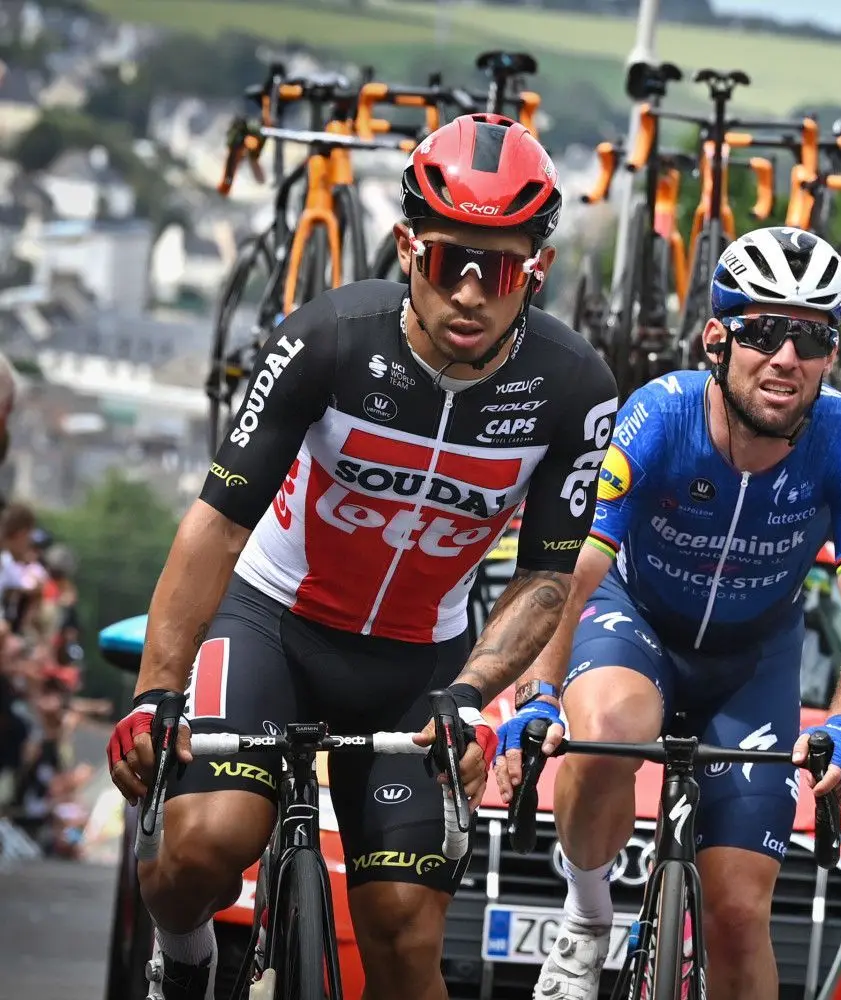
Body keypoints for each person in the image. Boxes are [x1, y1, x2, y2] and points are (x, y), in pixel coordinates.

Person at [105, 113, 618, 1000]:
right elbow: (217, 524)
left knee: (403, 932)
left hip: (418, 665)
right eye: (444, 259)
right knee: (202, 849)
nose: (467, 292)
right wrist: (157, 692)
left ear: (536, 271)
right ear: (405, 247)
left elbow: (544, 578)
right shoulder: (328, 338)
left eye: (495, 268)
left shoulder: (575, 388)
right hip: (273, 622)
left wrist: (472, 695)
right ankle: (183, 954)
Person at [502, 226, 841, 1000]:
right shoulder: (661, 413)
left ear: (832, 354)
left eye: (811, 337)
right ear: (716, 339)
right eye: (762, 331)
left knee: (737, 910)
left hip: (752, 661)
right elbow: (572, 576)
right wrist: (538, 694)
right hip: (639, 623)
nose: (786, 357)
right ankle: (587, 921)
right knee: (610, 726)